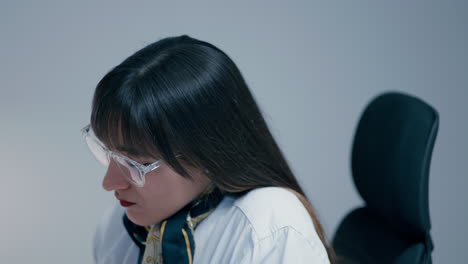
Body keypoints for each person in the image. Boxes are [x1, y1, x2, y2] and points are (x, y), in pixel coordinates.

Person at [82, 34, 334, 264]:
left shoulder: (267, 227)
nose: (110, 182)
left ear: (206, 153)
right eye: (107, 151)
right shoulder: (118, 227)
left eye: (135, 164)